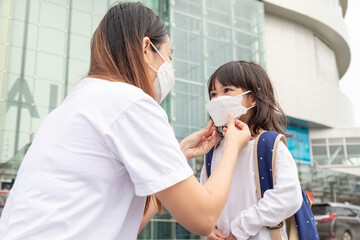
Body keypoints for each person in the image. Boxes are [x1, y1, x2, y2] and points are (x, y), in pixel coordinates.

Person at [0, 2, 251, 240]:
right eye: (168, 55)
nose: (169, 66)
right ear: (146, 48)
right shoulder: (130, 103)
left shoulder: (73, 106)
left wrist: (181, 153)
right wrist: (232, 145)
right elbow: (204, 216)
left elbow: (124, 222)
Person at [201, 61, 303, 240]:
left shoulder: (269, 145)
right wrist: (207, 228)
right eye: (213, 94)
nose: (218, 99)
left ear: (254, 98)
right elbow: (202, 198)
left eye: (227, 90)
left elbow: (289, 196)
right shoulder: (213, 152)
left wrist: (241, 227)